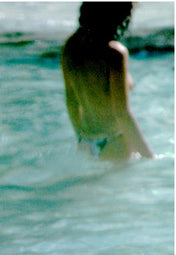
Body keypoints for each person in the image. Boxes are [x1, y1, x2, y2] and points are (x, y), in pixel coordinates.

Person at [61, 2, 154, 160]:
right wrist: (150, 157)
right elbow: (122, 113)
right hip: (114, 142)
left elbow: (71, 100)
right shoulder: (114, 54)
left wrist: (80, 138)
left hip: (86, 140)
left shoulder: (70, 47)